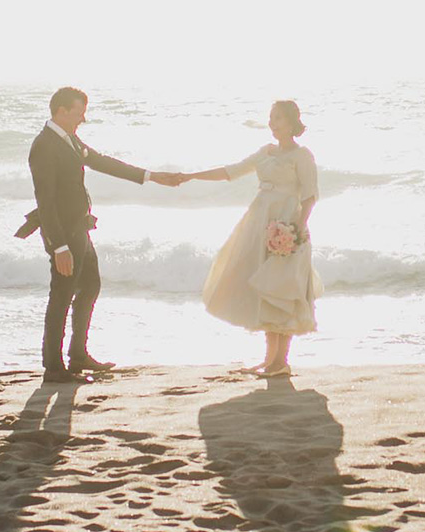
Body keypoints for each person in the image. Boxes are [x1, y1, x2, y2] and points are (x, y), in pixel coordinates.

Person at [19, 87, 182, 384]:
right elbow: (46, 199)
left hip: (80, 227)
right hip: (64, 234)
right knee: (61, 295)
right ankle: (53, 367)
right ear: (61, 111)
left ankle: (78, 354)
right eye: (79, 112)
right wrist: (59, 247)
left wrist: (150, 176)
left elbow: (101, 161)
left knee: (90, 285)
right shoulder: (44, 145)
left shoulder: (68, 140)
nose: (83, 118)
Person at [187, 100, 322, 377]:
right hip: (259, 224)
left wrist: (295, 231)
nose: (273, 124)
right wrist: (189, 176)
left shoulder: (302, 156)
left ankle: (280, 361)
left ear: (292, 122)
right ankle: (269, 358)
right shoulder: (266, 152)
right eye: (271, 118)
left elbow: (309, 197)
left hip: (287, 226)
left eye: (279, 119)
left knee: (282, 289)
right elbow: (231, 172)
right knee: (263, 289)